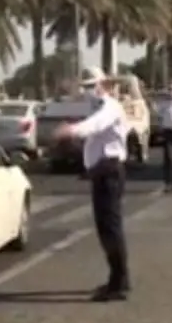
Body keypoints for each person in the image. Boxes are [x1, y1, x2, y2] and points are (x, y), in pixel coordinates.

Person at [54, 66, 130, 302]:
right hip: (101, 173)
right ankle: (118, 279)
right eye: (84, 86)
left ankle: (118, 283)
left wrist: (72, 130)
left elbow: (95, 125)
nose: (87, 91)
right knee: (106, 228)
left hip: (109, 171)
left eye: (91, 86)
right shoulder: (96, 107)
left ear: (101, 85)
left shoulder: (110, 107)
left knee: (110, 229)